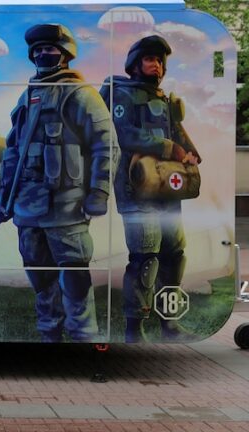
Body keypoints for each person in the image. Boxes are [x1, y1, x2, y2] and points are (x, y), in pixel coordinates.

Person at [0, 24, 116, 342]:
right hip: (28, 206)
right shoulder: (28, 96)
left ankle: (82, 333)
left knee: (74, 272)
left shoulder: (80, 94)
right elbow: (12, 152)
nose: (41, 54)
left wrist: (99, 191)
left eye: (49, 49)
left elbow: (106, 144)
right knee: (39, 273)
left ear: (65, 54)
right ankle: (50, 331)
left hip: (67, 205)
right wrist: (4, 195)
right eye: (37, 50)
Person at [100, 36, 200, 342]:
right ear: (135, 64)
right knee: (145, 257)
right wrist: (171, 148)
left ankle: (169, 325)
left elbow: (178, 133)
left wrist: (191, 153)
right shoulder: (122, 95)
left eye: (159, 60)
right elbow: (124, 134)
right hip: (136, 188)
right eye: (148, 59)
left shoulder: (164, 98)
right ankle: (135, 330)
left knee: (174, 254)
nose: (155, 64)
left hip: (167, 189)